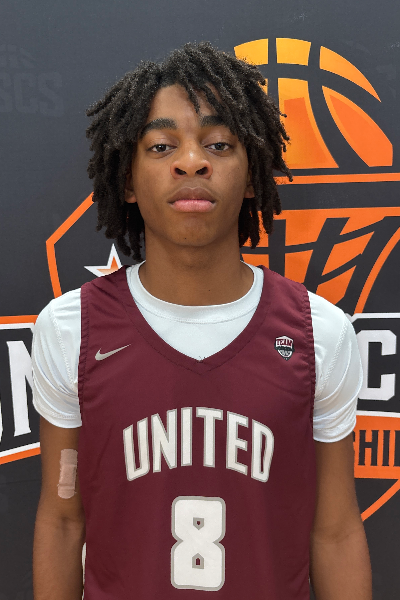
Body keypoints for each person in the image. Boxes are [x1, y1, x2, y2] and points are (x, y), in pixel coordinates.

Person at [32, 42, 372, 599]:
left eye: (218, 144)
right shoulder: (70, 329)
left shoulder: (319, 331)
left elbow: (334, 532)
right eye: (161, 146)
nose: (191, 162)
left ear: (253, 174)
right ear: (127, 181)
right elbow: (64, 519)